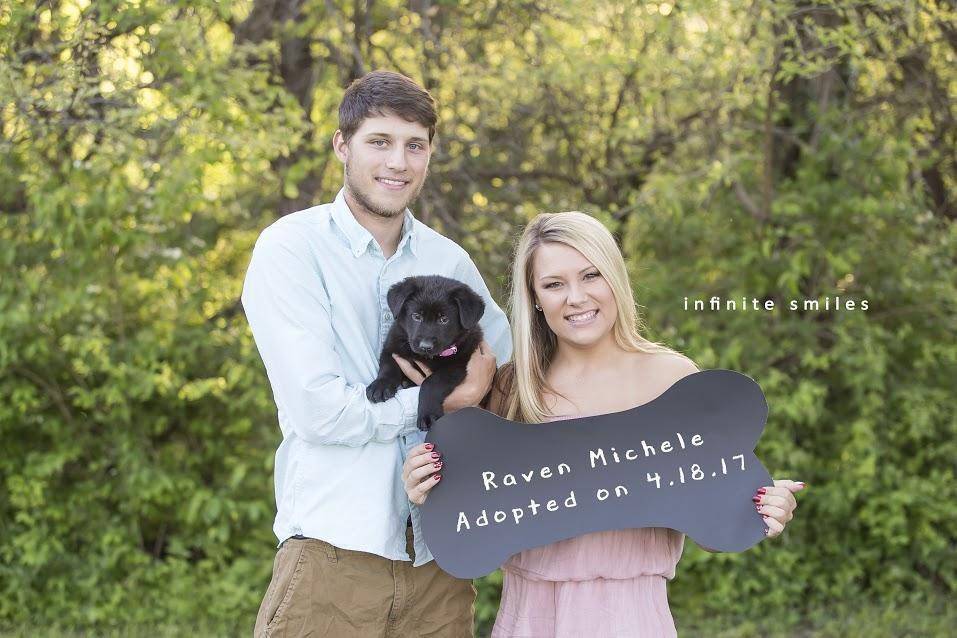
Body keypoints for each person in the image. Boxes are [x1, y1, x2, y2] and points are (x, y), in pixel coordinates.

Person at [401, 211, 805, 637]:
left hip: (631, 617)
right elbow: (470, 508)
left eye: (590, 275)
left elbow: (707, 509)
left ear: (615, 278)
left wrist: (760, 505)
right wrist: (428, 482)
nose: (576, 297)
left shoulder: (673, 380)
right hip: (529, 617)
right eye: (554, 284)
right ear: (534, 297)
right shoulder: (513, 388)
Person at [242, 70, 512, 638]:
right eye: (380, 142)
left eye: (415, 145)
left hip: (440, 561)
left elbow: (509, 373)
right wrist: (442, 400)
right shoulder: (292, 248)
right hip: (334, 553)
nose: (398, 162)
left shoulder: (449, 261)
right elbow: (319, 411)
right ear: (342, 145)